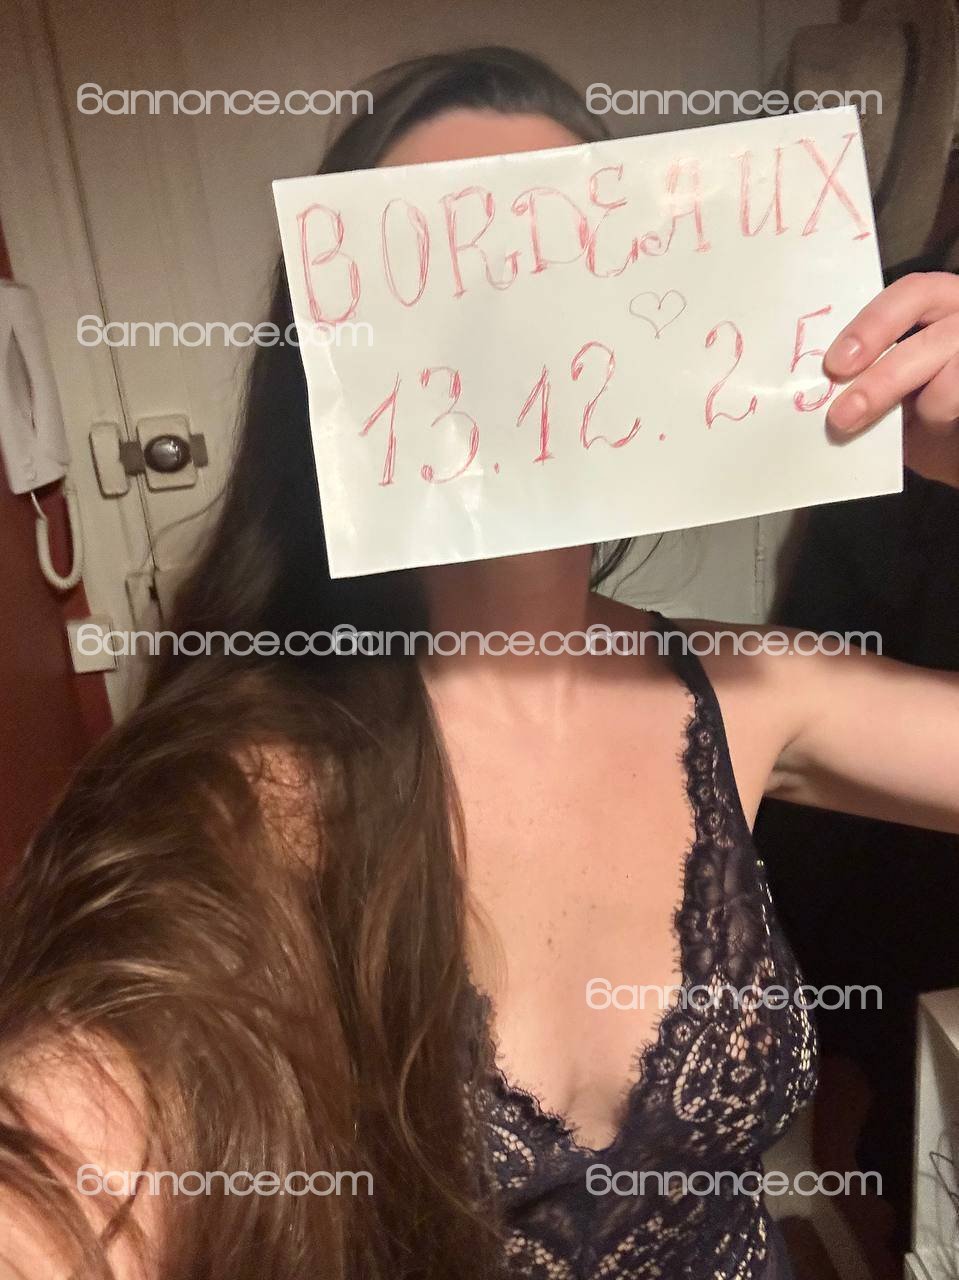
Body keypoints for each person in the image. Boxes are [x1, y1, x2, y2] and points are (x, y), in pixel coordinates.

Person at [1, 47, 958, 1280]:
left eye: (560, 275)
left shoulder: (745, 691)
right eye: (450, 282)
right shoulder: (246, 792)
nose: (513, 344)